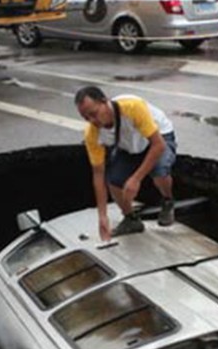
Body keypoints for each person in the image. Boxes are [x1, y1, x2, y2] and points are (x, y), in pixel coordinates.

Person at [75, 86, 177, 241]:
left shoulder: (132, 107)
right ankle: (131, 219)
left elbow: (158, 145)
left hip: (158, 136)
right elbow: (98, 173)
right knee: (114, 180)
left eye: (94, 114)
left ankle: (168, 200)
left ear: (105, 101)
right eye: (86, 118)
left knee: (159, 171)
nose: (92, 121)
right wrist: (103, 216)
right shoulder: (92, 133)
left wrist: (136, 179)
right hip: (129, 145)